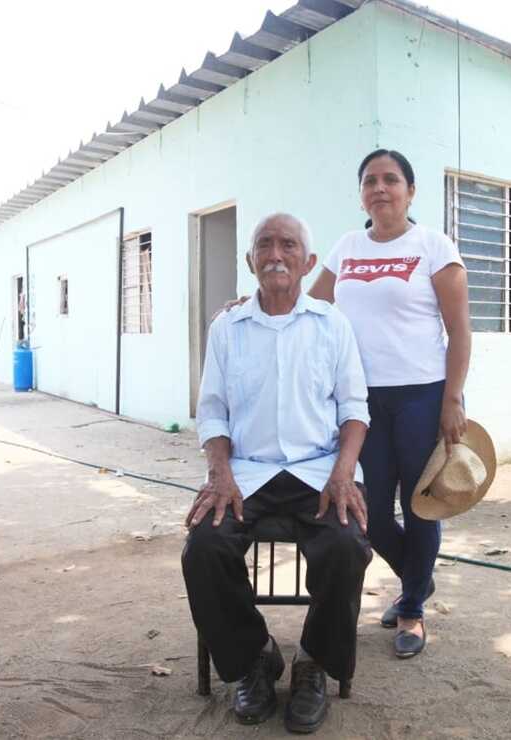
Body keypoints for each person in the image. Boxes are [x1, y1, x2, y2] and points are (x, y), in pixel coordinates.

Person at [182, 213, 372, 733]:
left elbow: (355, 409)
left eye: (289, 245)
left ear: (308, 262)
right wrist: (218, 472)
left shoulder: (332, 325)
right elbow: (214, 410)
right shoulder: (228, 327)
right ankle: (255, 658)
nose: (275, 254)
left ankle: (311, 663)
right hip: (246, 473)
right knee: (204, 548)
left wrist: (344, 472)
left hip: (318, 471)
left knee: (346, 545)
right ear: (250, 262)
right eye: (264, 245)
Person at [308, 149, 471, 658]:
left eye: (390, 179)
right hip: (361, 401)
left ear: (410, 191)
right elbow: (309, 307)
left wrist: (452, 399)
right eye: (370, 181)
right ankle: (417, 581)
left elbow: (460, 329)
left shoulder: (433, 245)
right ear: (361, 193)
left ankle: (412, 612)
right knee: (370, 513)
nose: (380, 188)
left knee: (421, 507)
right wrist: (249, 302)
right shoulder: (347, 246)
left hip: (422, 396)